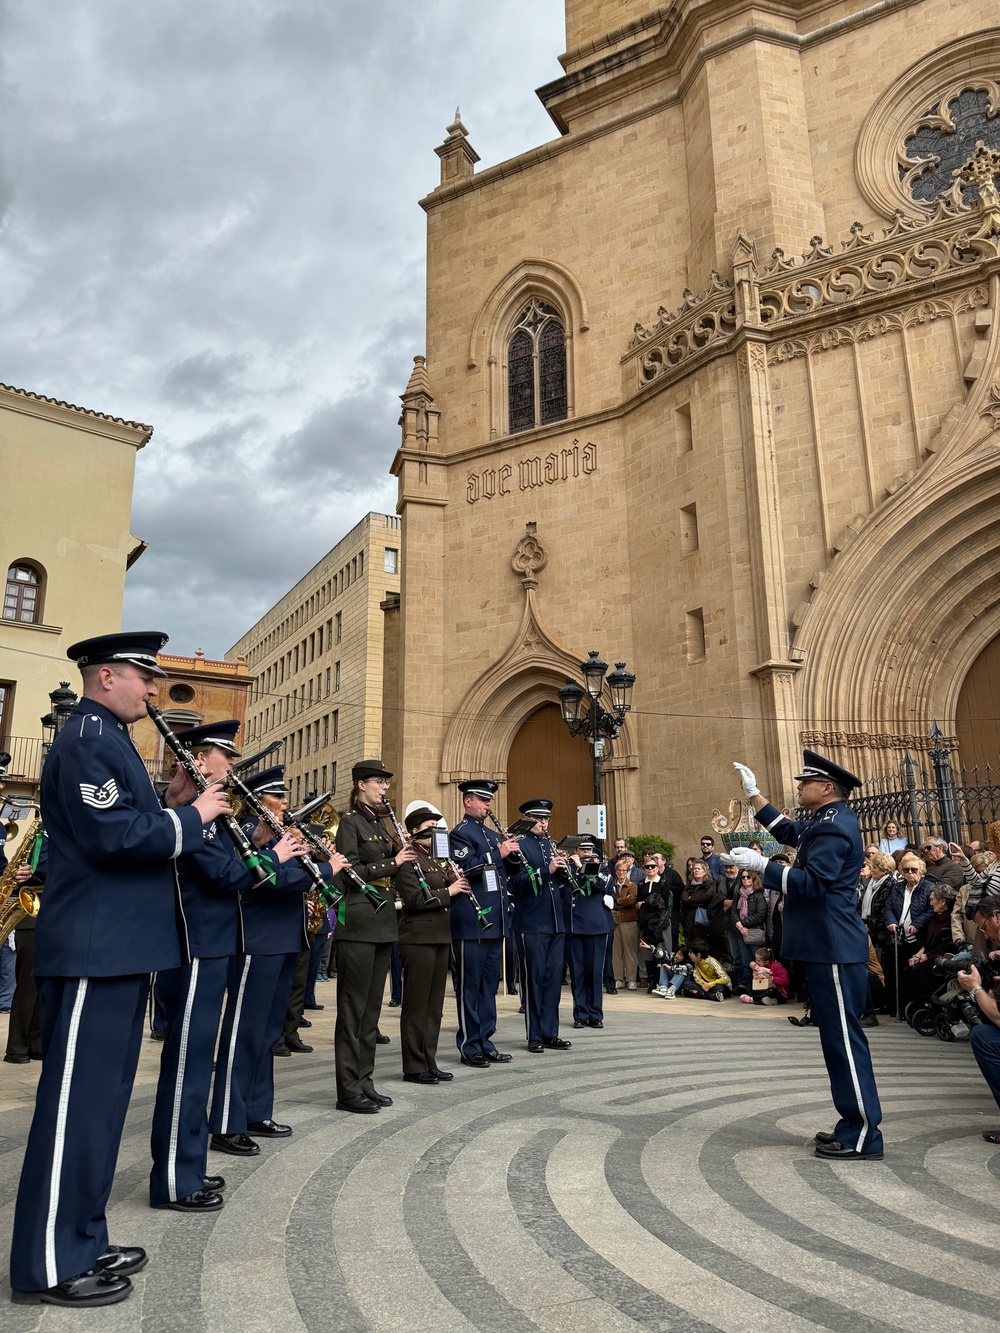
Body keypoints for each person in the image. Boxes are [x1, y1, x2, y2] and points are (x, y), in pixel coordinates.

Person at [9, 631, 232, 1308]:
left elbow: (133, 823)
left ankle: (81, 1233)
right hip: (94, 951)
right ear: (107, 675)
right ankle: (49, 1259)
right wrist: (193, 815)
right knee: (76, 1109)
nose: (154, 690)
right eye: (145, 676)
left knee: (102, 1111)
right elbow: (117, 836)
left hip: (120, 950)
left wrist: (184, 810)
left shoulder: (109, 738)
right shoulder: (87, 739)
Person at [150, 723, 306, 1211]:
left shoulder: (212, 816)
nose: (234, 767)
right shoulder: (196, 815)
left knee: (197, 1064)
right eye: (225, 758)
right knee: (188, 1067)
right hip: (197, 946)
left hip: (215, 945)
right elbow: (225, 877)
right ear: (199, 761)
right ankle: (177, 1178)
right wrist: (276, 855)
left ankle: (189, 1166)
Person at [726, 749, 884, 1160]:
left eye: (805, 782)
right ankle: (851, 1123)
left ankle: (863, 1134)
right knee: (835, 1040)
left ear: (827, 788)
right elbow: (790, 832)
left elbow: (813, 883)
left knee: (844, 1041)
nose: (799, 786)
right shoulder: (828, 821)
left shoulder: (835, 827)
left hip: (831, 944)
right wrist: (755, 796)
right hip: (826, 945)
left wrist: (763, 865)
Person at [208, 765, 337, 1151]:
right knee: (243, 1033)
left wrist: (312, 854)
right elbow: (271, 881)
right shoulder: (246, 832)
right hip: (256, 941)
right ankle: (228, 1121)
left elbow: (299, 875)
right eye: (276, 796)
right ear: (256, 799)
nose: (284, 802)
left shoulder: (279, 833)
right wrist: (328, 868)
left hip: (284, 940)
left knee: (266, 1034)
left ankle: (256, 1110)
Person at [332, 759, 415, 1112]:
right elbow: (347, 872)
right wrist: (393, 862)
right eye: (379, 783)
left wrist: (405, 852)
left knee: (371, 1013)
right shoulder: (350, 823)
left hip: (382, 922)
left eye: (385, 783)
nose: (384, 789)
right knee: (353, 1011)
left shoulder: (381, 826)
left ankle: (365, 1080)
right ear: (361, 785)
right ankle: (348, 1088)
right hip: (360, 922)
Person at [396, 807, 470, 1083]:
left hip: (439, 937)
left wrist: (455, 885)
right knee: (417, 1005)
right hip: (417, 939)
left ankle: (429, 1059)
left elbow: (445, 900)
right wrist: (447, 890)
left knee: (434, 1005)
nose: (436, 830)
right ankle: (414, 1066)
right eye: (430, 825)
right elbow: (413, 900)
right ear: (416, 831)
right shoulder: (408, 860)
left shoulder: (437, 860)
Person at [448, 779, 519, 1067]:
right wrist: (498, 853)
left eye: (489, 801)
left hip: (494, 920)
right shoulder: (460, 833)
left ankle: (486, 1040)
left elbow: (506, 872)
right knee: (470, 986)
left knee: (489, 986)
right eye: (482, 800)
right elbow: (464, 869)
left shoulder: (490, 834)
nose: (488, 805)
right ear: (468, 801)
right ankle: (469, 1045)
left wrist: (513, 851)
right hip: (471, 921)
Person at [507, 799, 571, 1052]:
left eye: (546, 819)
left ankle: (550, 1032)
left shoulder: (550, 845)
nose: (543, 823)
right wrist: (547, 870)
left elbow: (562, 883)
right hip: (532, 922)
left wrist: (567, 869)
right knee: (533, 980)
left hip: (556, 923)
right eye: (538, 818)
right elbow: (513, 883)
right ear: (527, 819)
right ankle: (534, 1034)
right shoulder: (518, 846)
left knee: (553, 980)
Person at [563, 837, 613, 1028]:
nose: (586, 853)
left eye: (589, 850)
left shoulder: (601, 868)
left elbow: (596, 888)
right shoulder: (567, 867)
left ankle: (595, 1014)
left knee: (594, 973)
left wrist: (582, 868)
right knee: (578, 973)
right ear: (576, 850)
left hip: (595, 927)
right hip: (574, 927)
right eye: (582, 850)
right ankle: (580, 1014)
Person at [883, 851, 933, 1014]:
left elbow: (932, 910)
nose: (910, 873)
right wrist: (890, 921)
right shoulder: (898, 888)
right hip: (899, 938)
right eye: (905, 870)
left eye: (913, 869)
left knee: (913, 975)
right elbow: (889, 907)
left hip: (918, 939)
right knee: (895, 974)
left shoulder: (929, 888)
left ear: (921, 870)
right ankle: (897, 1007)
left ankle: (914, 1009)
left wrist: (918, 923)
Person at [724, 870, 767, 995]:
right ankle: (750, 988)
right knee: (746, 962)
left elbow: (760, 914)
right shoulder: (738, 894)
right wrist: (739, 925)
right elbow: (733, 911)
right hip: (740, 933)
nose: (745, 879)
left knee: (758, 962)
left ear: (754, 879)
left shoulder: (759, 895)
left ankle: (761, 989)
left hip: (754, 933)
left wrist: (743, 923)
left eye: (748, 877)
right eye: (743, 877)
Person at [610, 853, 639, 988]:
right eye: (619, 870)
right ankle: (618, 978)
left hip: (629, 921)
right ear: (616, 871)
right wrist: (621, 901)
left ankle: (631, 979)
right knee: (616, 951)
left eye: (624, 870)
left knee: (630, 951)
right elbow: (608, 901)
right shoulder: (611, 885)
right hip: (615, 921)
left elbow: (631, 900)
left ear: (627, 871)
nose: (621, 872)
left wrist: (616, 901)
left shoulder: (632, 885)